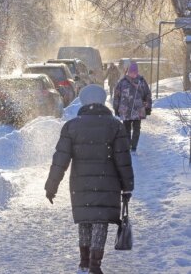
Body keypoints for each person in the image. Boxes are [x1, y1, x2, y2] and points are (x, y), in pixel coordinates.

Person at [44, 84, 134, 274]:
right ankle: (95, 266)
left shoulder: (71, 127)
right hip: (107, 185)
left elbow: (60, 160)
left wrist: (51, 186)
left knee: (85, 220)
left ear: (83, 102)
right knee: (100, 223)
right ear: (102, 101)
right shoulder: (115, 126)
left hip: (80, 184)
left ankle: (84, 262)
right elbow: (123, 160)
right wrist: (127, 187)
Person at [113, 61, 152, 153]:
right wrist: (116, 107)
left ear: (137, 71)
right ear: (128, 71)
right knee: (126, 130)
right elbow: (117, 95)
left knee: (136, 129)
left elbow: (147, 94)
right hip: (125, 110)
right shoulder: (122, 82)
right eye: (132, 71)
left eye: (135, 71)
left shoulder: (141, 81)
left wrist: (148, 106)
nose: (133, 73)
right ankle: (128, 145)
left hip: (138, 110)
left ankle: (133, 146)